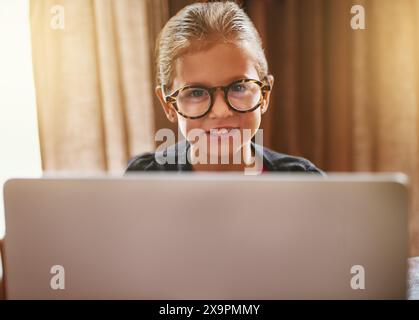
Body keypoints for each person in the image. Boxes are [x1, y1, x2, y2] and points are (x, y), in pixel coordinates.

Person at [125, 1, 324, 175]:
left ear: (264, 94)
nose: (221, 110)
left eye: (238, 87)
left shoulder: (302, 181)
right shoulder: (144, 177)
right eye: (196, 93)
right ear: (168, 104)